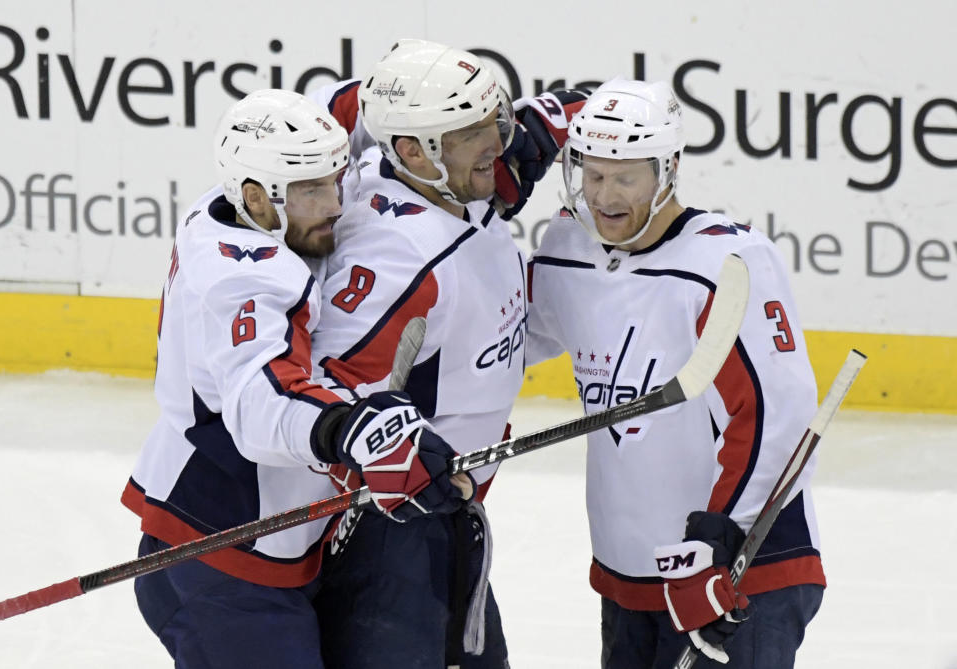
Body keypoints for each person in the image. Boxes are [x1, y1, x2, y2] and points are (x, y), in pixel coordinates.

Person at [122, 88, 472, 668]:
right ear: (259, 198)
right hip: (222, 554)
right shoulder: (246, 283)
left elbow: (335, 118)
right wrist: (354, 431)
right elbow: (262, 400)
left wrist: (403, 94)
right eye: (313, 190)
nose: (336, 202)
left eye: (334, 179)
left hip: (251, 537)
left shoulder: (233, 197)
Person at [525, 78, 824, 668]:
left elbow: (776, 415)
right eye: (593, 174)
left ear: (668, 168)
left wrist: (719, 540)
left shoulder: (725, 262)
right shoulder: (568, 250)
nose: (606, 196)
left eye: (626, 177)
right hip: (630, 571)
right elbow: (505, 344)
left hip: (739, 571)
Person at [307, 39, 585, 669]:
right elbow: (328, 394)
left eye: (496, 121)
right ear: (414, 153)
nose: (499, 144)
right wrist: (391, 456)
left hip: (446, 522)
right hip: (392, 543)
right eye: (472, 133)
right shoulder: (397, 261)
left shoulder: (447, 188)